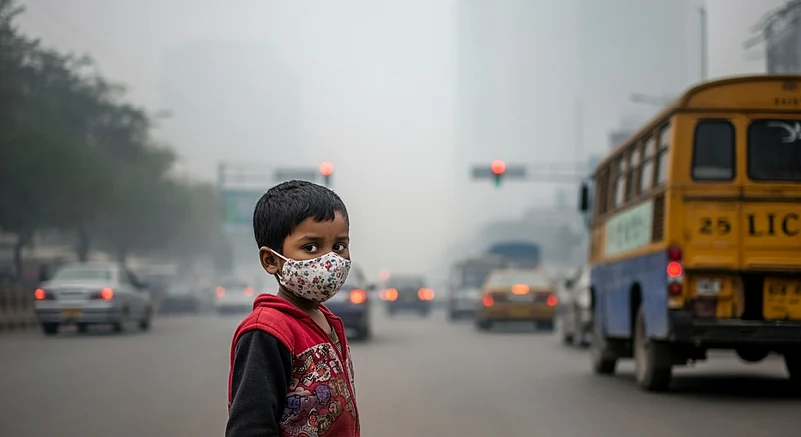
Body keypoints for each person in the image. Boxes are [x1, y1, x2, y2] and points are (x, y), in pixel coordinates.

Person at [226, 180, 360, 437]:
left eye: (339, 246)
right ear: (271, 260)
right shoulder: (266, 332)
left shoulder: (327, 321)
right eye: (311, 247)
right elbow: (250, 426)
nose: (330, 261)